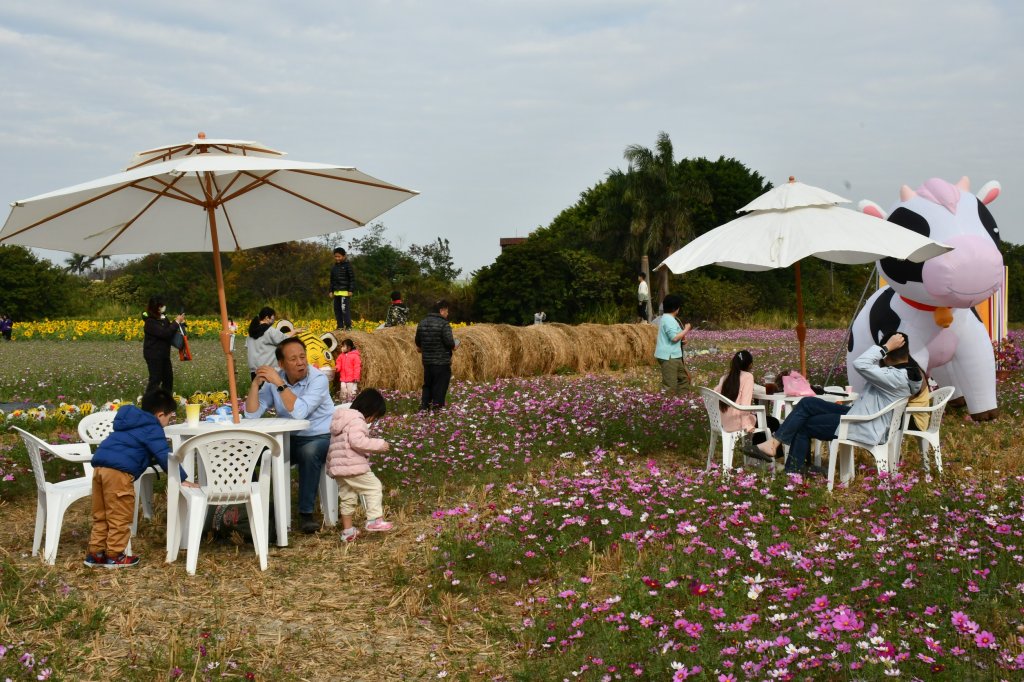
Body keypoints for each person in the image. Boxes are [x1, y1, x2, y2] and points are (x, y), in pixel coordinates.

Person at [744, 331, 922, 474]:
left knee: (803, 423)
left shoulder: (895, 377)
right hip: (861, 415)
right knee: (807, 403)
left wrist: (885, 347)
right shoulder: (905, 373)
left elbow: (861, 364)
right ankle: (775, 445)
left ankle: (794, 471)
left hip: (864, 424)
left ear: (887, 356)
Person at [85, 388, 195, 568]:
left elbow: (132, 446)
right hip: (118, 474)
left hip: (99, 469)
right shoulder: (153, 428)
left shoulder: (129, 423)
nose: (168, 422)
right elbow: (163, 454)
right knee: (119, 515)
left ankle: (96, 553)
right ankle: (115, 555)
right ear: (160, 415)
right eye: (169, 417)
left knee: (102, 514)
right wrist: (180, 478)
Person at [245, 337, 335, 533]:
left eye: (302, 357)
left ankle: (306, 513)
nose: (301, 362)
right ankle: (259, 509)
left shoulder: (318, 379)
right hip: (286, 438)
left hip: (318, 436)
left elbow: (300, 412)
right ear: (281, 364)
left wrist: (279, 384)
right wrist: (255, 385)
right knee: (249, 453)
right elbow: (251, 415)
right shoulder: (276, 380)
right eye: (293, 359)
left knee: (309, 453)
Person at [326, 388, 394, 542]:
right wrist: (380, 444)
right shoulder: (357, 420)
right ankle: (374, 520)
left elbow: (333, 447)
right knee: (374, 487)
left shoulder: (341, 420)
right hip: (352, 465)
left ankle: (348, 531)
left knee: (348, 497)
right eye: (374, 417)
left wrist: (331, 468)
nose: (372, 421)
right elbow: (357, 442)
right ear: (370, 409)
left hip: (340, 468)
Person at [714, 349, 782, 456]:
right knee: (773, 422)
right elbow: (745, 405)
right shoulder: (748, 377)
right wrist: (747, 425)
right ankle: (765, 455)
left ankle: (757, 452)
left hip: (724, 422)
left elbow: (715, 394)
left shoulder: (725, 377)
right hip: (738, 422)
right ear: (750, 365)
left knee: (762, 419)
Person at [415, 299, 457, 410]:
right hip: (441, 362)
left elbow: (418, 342)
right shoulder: (444, 324)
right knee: (440, 386)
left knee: (427, 385)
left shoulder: (422, 322)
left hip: (427, 362)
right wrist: (454, 345)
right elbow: (449, 343)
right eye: (447, 311)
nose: (447, 314)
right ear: (442, 310)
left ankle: (424, 407)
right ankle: (437, 410)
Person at [142, 296, 185, 393]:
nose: (164, 307)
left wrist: (179, 323)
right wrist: (176, 322)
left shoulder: (163, 318)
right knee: (155, 379)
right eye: (161, 305)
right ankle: (149, 402)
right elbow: (164, 333)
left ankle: (166, 402)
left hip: (164, 354)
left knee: (168, 378)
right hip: (153, 355)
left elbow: (170, 329)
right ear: (156, 307)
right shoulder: (150, 322)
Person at [653, 294, 691, 395]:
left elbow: (676, 336)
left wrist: (682, 340)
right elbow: (674, 338)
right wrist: (686, 330)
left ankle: (681, 402)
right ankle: (667, 407)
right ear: (676, 308)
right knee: (670, 385)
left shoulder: (668, 319)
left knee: (684, 379)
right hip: (669, 357)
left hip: (674, 355)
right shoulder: (669, 320)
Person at [245, 307, 297, 380]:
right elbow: (284, 339)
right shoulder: (270, 331)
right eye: (273, 317)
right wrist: (294, 332)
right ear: (267, 318)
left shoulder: (250, 333)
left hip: (254, 371)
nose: (274, 320)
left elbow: (247, 347)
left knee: (257, 390)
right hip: (268, 371)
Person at [330, 247, 355, 331]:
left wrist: (351, 290)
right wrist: (331, 291)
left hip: (345, 292)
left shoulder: (348, 266)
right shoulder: (334, 267)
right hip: (336, 292)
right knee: (337, 310)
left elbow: (352, 279)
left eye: (339, 256)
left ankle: (348, 326)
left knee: (345, 309)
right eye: (336, 256)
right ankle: (340, 326)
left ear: (344, 256)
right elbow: (332, 280)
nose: (337, 258)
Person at [334, 338, 362, 403]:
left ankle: (350, 404)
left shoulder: (355, 356)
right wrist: (337, 368)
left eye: (343, 346)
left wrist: (356, 377)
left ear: (349, 347)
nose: (342, 348)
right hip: (343, 378)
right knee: (343, 390)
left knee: (351, 392)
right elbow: (338, 364)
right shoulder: (341, 356)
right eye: (342, 346)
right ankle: (343, 403)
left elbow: (357, 367)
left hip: (351, 379)